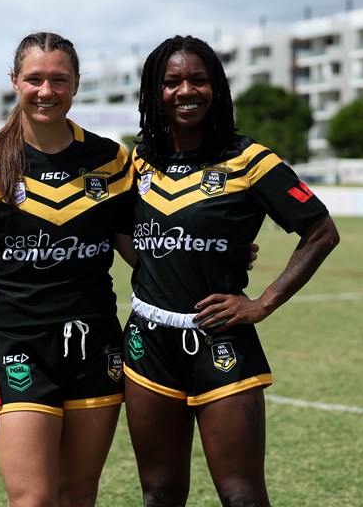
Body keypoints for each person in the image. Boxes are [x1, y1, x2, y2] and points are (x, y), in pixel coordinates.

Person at [123, 35, 340, 507]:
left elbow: (321, 232)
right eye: (172, 81)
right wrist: (179, 262)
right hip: (147, 344)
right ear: (153, 92)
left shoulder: (251, 159)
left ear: (216, 87)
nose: (185, 91)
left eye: (198, 80)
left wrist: (261, 304)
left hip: (222, 340)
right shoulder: (135, 163)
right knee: (158, 492)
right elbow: (123, 233)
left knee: (240, 494)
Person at [0, 32, 134, 507]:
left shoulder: (112, 161)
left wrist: (208, 256)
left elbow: (137, 249)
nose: (46, 91)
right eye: (34, 79)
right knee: (31, 499)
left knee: (77, 496)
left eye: (58, 79)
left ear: (75, 85)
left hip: (96, 345)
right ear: (14, 81)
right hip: (17, 347)